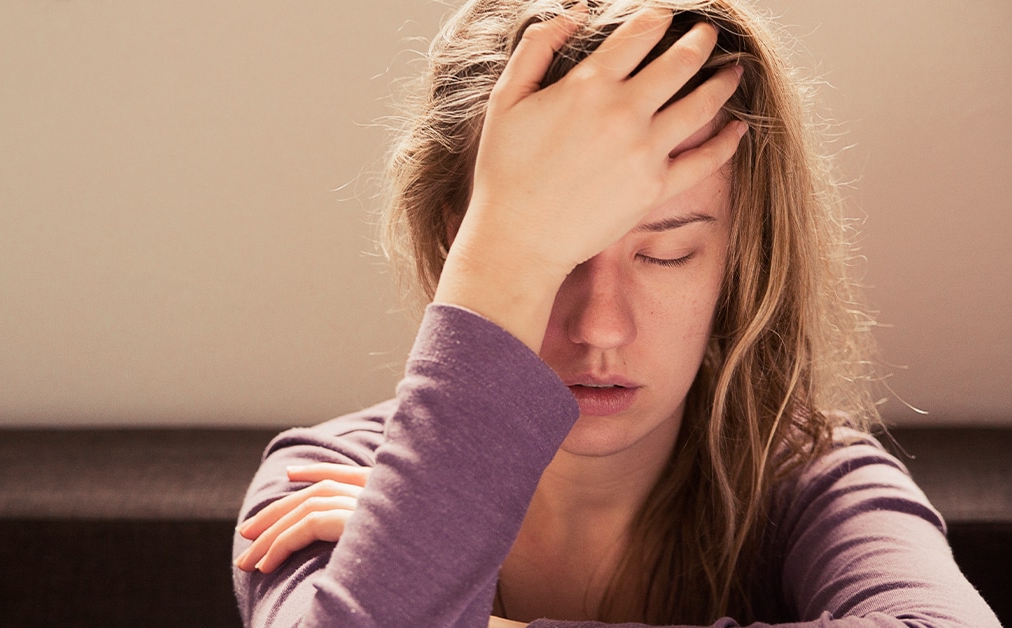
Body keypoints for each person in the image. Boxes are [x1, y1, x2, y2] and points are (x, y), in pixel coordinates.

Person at [232, 0, 1000, 625]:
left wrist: (431, 573)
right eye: (552, 257)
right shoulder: (323, 479)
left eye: (666, 254)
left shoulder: (810, 484)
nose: (601, 326)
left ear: (740, 261)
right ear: (455, 245)